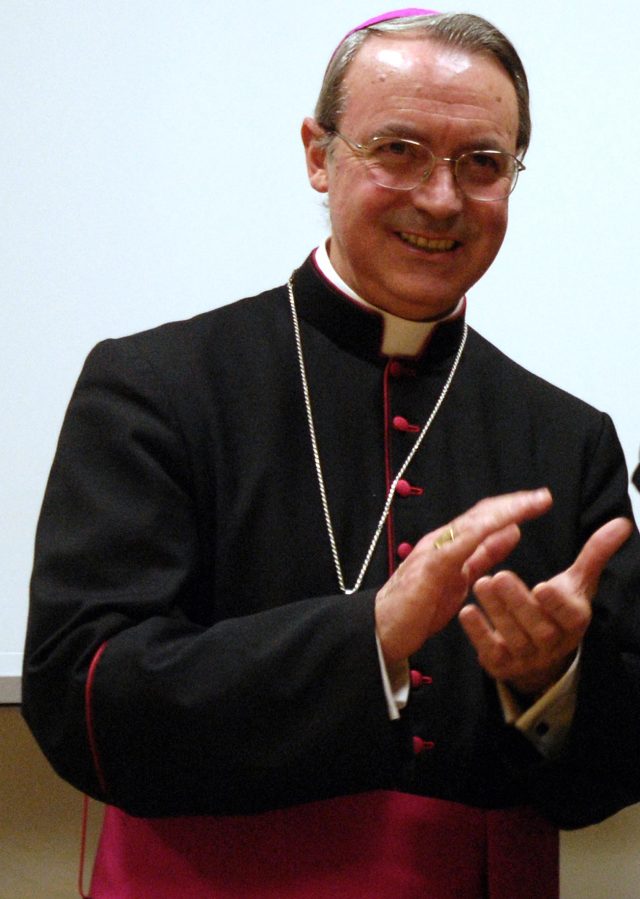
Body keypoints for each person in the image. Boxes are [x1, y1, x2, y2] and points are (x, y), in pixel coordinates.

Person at [23, 9, 640, 898]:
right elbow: (80, 694)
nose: (442, 198)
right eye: (398, 150)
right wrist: (371, 636)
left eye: (482, 163)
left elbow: (607, 777)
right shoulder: (157, 386)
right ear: (318, 154)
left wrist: (550, 686)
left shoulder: (569, 439)